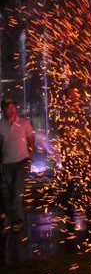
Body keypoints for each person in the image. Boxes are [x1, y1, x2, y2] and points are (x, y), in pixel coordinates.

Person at [0, 97, 35, 233]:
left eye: (13, 105)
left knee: (17, 192)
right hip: (7, 163)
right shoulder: (1, 125)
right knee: (7, 193)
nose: (11, 108)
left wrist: (30, 158)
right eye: (8, 106)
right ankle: (11, 218)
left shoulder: (24, 123)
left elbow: (31, 140)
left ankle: (18, 220)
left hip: (21, 162)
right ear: (4, 109)